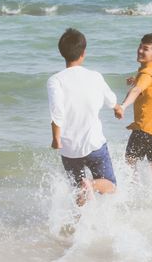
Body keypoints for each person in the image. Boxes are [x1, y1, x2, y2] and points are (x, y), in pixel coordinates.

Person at [47, 28, 120, 205]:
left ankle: (78, 226)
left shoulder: (55, 80)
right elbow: (111, 101)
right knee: (111, 186)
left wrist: (56, 138)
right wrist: (118, 108)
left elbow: (57, 111)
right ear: (83, 53)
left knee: (77, 191)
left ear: (61, 52)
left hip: (69, 148)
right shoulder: (95, 76)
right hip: (94, 145)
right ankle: (92, 184)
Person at [114, 33, 152, 182]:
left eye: (145, 49)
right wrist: (136, 80)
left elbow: (136, 91)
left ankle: (133, 190)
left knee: (130, 160)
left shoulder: (146, 73)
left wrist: (123, 106)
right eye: (140, 47)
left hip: (146, 129)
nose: (140, 51)